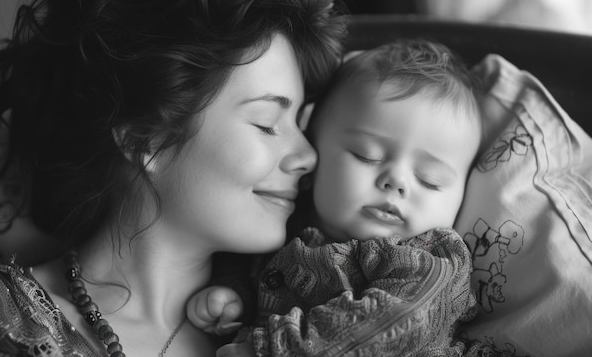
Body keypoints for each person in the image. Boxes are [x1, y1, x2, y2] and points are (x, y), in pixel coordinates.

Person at [0, 0, 347, 355]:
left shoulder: (318, 323)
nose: (308, 156)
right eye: (268, 124)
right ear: (144, 138)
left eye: (302, 124)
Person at [187, 39, 488, 356]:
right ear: (312, 149)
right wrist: (233, 293)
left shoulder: (427, 265)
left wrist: (273, 351)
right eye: (366, 156)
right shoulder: (282, 221)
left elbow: (391, 324)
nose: (397, 182)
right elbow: (247, 261)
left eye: (430, 180)